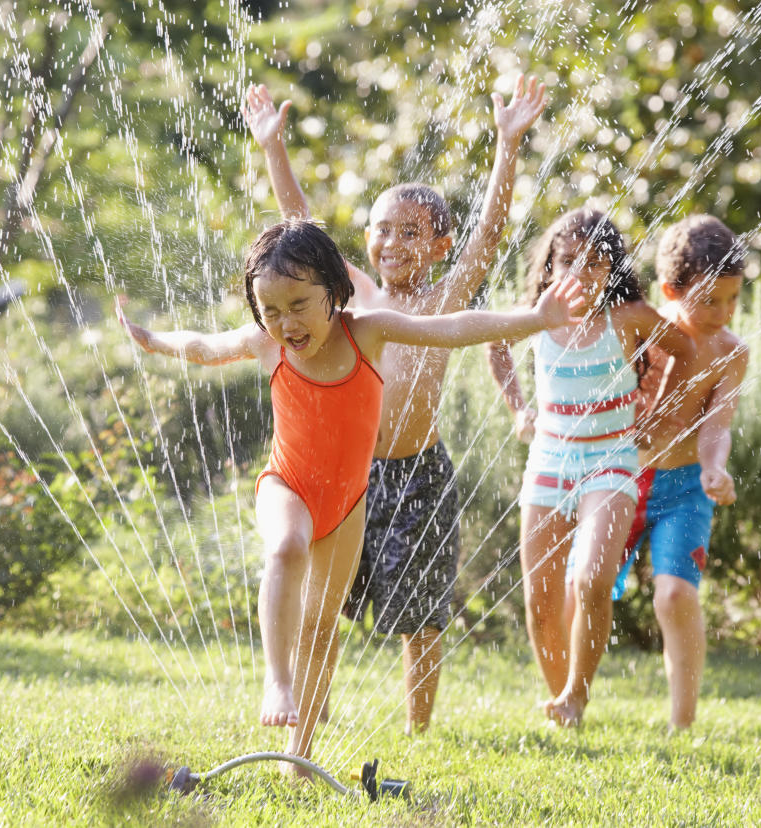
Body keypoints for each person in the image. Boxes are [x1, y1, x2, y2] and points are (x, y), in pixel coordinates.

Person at [117, 219, 583, 770]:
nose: (285, 323)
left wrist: (536, 318)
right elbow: (201, 347)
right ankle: (276, 682)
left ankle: (298, 755)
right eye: (270, 310)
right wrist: (152, 340)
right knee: (286, 546)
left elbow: (455, 326)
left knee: (320, 625)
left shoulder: (368, 332)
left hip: (347, 505)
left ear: (334, 292)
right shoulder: (267, 345)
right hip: (286, 484)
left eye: (298, 304)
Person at [243, 73, 549, 734]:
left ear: (440, 246)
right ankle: (307, 708)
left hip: (419, 473)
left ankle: (418, 727)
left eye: (411, 233)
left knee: (421, 608)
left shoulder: (440, 301)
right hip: (344, 477)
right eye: (381, 230)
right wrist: (274, 151)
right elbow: (299, 233)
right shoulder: (350, 297)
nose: (391, 243)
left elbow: (489, 234)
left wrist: (507, 145)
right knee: (322, 601)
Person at [486, 207, 695, 727]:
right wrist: (518, 407)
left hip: (611, 462)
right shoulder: (537, 316)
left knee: (592, 580)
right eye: (569, 262)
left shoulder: (628, 320)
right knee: (539, 595)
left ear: (613, 269)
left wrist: (659, 412)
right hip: (550, 460)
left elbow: (686, 350)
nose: (581, 274)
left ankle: (578, 693)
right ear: (551, 267)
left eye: (596, 263)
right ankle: (562, 702)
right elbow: (494, 342)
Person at [606, 214, 749, 731]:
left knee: (675, 594)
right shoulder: (643, 332)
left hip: (686, 485)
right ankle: (571, 695)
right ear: (670, 289)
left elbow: (717, 424)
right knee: (591, 585)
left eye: (733, 299)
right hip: (622, 478)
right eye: (710, 300)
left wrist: (715, 468)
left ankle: (681, 724)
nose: (723, 312)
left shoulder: (731, 352)